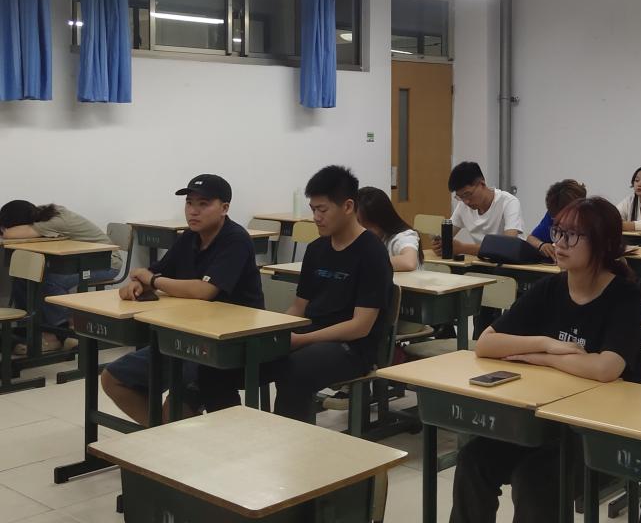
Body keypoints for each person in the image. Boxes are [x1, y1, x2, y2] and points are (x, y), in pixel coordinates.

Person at [450, 197, 641, 523]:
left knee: (535, 479)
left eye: (572, 235)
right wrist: (546, 345)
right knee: (473, 459)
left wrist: (541, 358)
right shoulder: (549, 288)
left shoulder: (625, 296)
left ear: (602, 243)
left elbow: (606, 368)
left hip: (599, 427)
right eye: (558, 232)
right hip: (545, 417)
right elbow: (485, 344)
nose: (559, 243)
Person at [100, 175, 264, 425]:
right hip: (186, 335)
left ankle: (173, 433)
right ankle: (163, 435)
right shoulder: (189, 237)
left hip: (227, 343)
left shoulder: (236, 239)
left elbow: (205, 291)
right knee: (112, 379)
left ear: (224, 208)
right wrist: (137, 284)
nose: (193, 211)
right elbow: (156, 272)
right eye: (189, 203)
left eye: (203, 204)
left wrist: (152, 280)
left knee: (174, 411)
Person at [270, 166, 393, 422]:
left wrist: (302, 340)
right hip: (313, 334)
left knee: (294, 369)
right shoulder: (316, 249)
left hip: (353, 348)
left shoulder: (372, 252)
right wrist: (274, 332)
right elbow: (298, 307)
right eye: (313, 209)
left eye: (322, 210)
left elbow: (360, 326)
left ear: (348, 206)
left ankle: (291, 439)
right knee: (254, 357)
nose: (316, 217)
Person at [1, 200, 122, 354]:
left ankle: (62, 333)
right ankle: (34, 330)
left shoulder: (53, 221)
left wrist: (6, 230)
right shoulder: (43, 214)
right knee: (23, 279)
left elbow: (9, 234)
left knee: (49, 282)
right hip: (84, 260)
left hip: (107, 263)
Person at [432, 162, 524, 257]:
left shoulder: (509, 202)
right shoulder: (463, 206)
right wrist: (440, 246)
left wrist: (463, 248)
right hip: (484, 262)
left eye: (468, 194)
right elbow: (446, 237)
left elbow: (509, 247)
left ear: (482, 184)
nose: (466, 201)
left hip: (512, 263)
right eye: (460, 197)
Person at [357, 186, 421, 272]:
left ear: (380, 220)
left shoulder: (403, 236)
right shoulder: (366, 239)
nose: (359, 229)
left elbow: (409, 262)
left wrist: (364, 263)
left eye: (364, 223)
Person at [525, 179, 587, 261]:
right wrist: (541, 245)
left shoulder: (595, 222)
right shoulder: (553, 214)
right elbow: (531, 239)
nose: (560, 243)